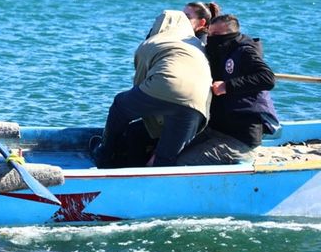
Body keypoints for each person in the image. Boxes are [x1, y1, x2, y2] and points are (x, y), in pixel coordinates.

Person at [93, 10, 212, 168]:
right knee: (165, 159)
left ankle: (105, 152)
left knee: (120, 105)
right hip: (199, 103)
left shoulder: (153, 42)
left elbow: (140, 82)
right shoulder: (199, 45)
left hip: (164, 86)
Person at [178, 14, 278, 165]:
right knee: (170, 152)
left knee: (183, 163)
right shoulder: (219, 52)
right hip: (216, 129)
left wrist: (227, 86)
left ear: (231, 34)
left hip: (240, 136)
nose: (211, 38)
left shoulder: (245, 51)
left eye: (216, 35)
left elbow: (267, 78)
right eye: (210, 34)